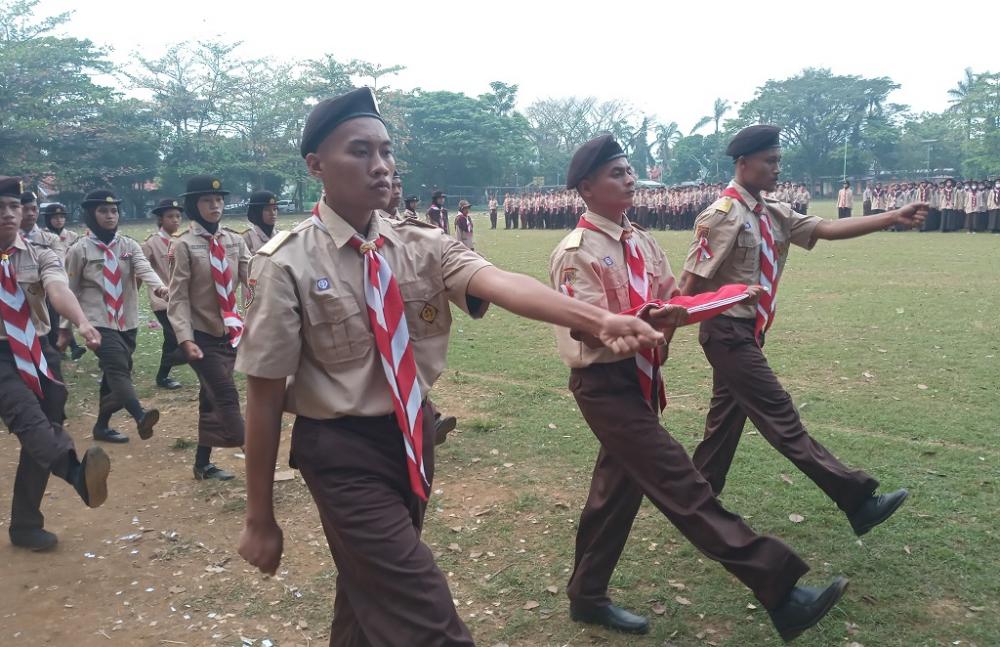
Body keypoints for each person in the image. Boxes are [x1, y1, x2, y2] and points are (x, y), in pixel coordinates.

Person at [235, 88, 664, 647]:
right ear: (315, 165)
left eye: (386, 151)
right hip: (340, 454)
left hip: (414, 438)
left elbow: (505, 284)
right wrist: (259, 516)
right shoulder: (285, 264)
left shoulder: (420, 245)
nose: (381, 166)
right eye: (360, 152)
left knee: (369, 590)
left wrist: (598, 319)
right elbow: (264, 396)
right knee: (424, 610)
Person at [549, 135, 849, 641]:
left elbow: (673, 301)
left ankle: (587, 595)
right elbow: (582, 325)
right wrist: (648, 320)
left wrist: (725, 297)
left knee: (613, 494)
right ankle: (780, 589)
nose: (629, 179)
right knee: (685, 488)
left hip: (643, 378)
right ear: (586, 188)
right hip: (605, 384)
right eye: (616, 173)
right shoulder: (576, 252)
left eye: (629, 171)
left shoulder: (641, 241)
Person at [679, 125, 920, 539]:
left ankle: (694, 504)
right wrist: (663, 336)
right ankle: (857, 499)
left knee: (724, 424)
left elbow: (825, 228)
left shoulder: (772, 212)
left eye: (779, 161)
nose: (777, 169)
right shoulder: (722, 215)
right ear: (743, 164)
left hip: (750, 332)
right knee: (781, 419)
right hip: (726, 332)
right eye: (770, 161)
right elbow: (690, 284)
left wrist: (891, 218)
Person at [0, 176, 109, 551]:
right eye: (0, 209)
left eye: (13, 207)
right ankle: (76, 473)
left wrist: (80, 321)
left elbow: (57, 289)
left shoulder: (40, 253)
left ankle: (25, 525)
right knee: (30, 421)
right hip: (0, 356)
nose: (9, 215)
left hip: (39, 350)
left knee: (42, 433)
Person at [63, 190, 166, 444]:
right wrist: (65, 327)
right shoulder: (80, 250)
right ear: (90, 214)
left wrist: (161, 287)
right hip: (97, 323)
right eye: (103, 211)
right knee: (119, 370)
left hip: (127, 321)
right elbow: (69, 290)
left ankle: (101, 426)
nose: (110, 216)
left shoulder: (128, 246)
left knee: (113, 376)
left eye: (113, 211)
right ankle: (140, 415)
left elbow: (143, 268)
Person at [168, 175, 250, 481]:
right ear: (193, 205)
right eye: (206, 201)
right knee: (227, 396)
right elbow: (177, 298)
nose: (215, 205)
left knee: (210, 396)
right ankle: (257, 459)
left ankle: (202, 464)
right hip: (201, 337)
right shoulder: (184, 246)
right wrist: (185, 339)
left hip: (229, 334)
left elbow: (251, 282)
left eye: (218, 200)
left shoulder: (235, 241)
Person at [142, 198, 185, 389]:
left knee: (171, 339)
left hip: (183, 299)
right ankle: (192, 360)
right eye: (170, 216)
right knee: (175, 337)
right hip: (162, 301)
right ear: (160, 219)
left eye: (178, 216)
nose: (175, 220)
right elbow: (140, 269)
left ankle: (162, 377)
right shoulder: (151, 243)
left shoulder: (182, 241)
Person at [40, 202, 86, 360]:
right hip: (51, 283)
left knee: (67, 313)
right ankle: (69, 347)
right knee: (54, 315)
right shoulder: (42, 237)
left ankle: (67, 347)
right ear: (48, 219)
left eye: (61, 217)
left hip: (71, 280)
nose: (59, 220)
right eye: (54, 217)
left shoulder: (73, 237)